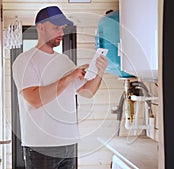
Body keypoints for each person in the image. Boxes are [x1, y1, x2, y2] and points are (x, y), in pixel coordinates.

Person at [12, 6, 108, 169]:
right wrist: (69, 77)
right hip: (41, 146)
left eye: (62, 28)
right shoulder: (25, 61)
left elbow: (87, 92)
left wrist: (99, 72)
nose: (61, 33)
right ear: (40, 28)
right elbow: (35, 100)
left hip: (69, 144)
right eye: (56, 28)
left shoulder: (64, 61)